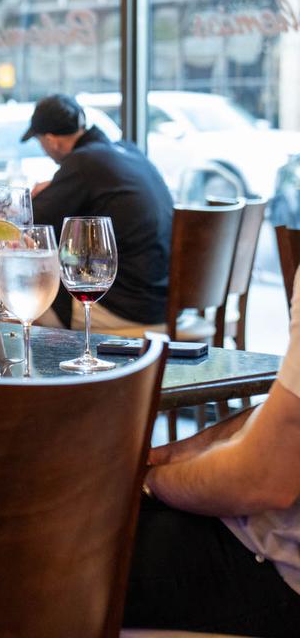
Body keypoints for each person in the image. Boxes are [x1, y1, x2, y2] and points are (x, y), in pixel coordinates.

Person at [123, 266, 300, 637]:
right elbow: (280, 415)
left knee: (44, 551)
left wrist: (151, 481)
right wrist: (169, 456)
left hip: (279, 573)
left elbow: (260, 480)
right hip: (265, 538)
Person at [20, 93, 173, 337]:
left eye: (40, 142)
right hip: (163, 301)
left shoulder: (83, 163)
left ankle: (26, 363)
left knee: (20, 296)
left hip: (124, 306)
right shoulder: (127, 151)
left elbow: (30, 224)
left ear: (51, 140)